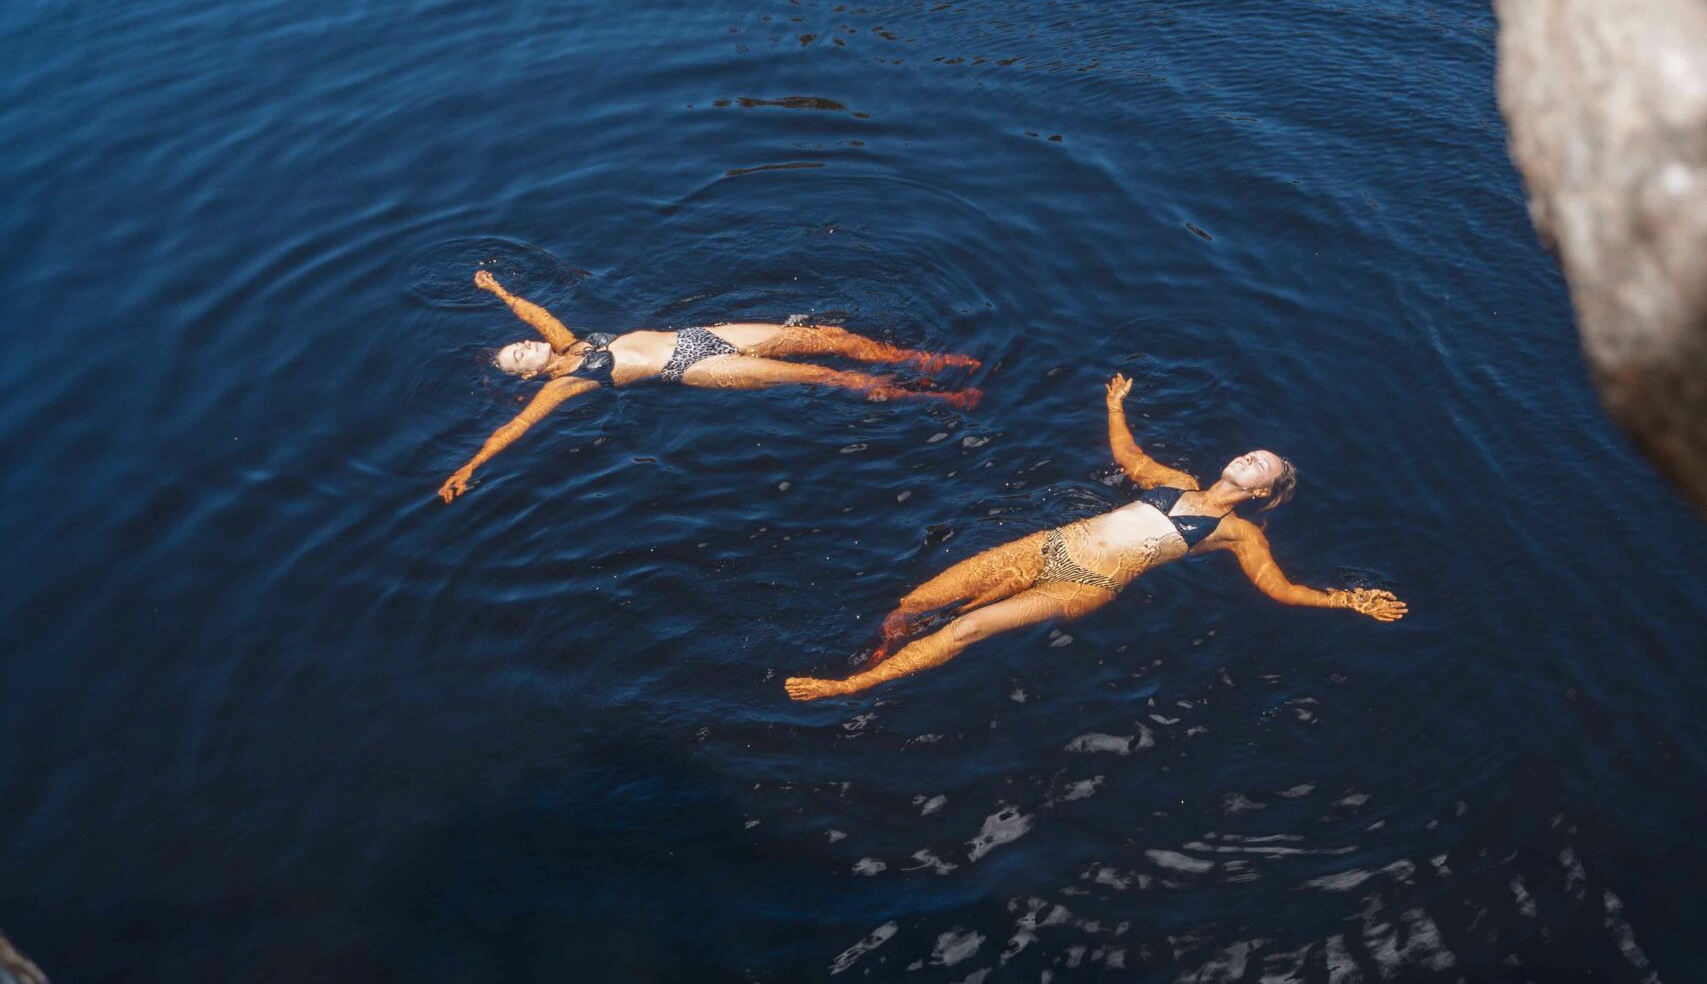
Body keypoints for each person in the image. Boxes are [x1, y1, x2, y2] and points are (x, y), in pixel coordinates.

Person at [785, 370, 1405, 700]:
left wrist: (1346, 600)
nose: (1247, 458)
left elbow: (1282, 590)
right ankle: (881, 652)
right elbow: (1130, 457)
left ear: (1264, 492)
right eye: (1249, 452)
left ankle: (850, 687)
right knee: (914, 605)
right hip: (1047, 545)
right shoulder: (1175, 479)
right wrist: (1115, 408)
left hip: (1088, 582)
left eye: (1259, 465)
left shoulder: (1239, 534)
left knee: (968, 626)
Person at [437, 270, 980, 502]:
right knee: (825, 375)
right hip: (693, 370)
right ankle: (934, 398)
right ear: (528, 376)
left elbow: (538, 315)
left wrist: (500, 292)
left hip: (702, 334)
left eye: (521, 344)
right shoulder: (564, 383)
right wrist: (470, 467)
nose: (526, 346)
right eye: (518, 358)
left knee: (825, 335)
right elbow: (517, 427)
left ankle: (922, 359)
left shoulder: (567, 343)